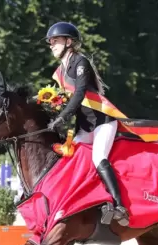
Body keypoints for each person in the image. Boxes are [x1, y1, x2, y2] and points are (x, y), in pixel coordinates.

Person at [45, 21, 129, 226]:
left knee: (98, 157)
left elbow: (80, 93)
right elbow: (66, 99)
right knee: (72, 160)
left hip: (103, 122)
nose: (52, 45)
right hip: (85, 126)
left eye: (55, 41)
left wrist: (63, 116)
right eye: (50, 42)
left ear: (69, 41)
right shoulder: (61, 71)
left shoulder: (80, 62)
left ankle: (119, 206)